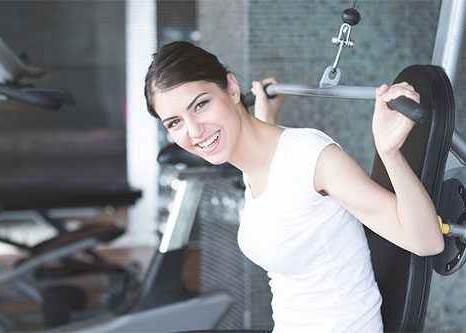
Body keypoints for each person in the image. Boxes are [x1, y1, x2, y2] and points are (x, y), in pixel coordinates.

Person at [144, 41, 444, 332]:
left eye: (200, 105)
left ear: (232, 88)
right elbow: (282, 190)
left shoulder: (310, 157)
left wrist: (389, 152)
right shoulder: (253, 163)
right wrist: (265, 116)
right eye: (174, 123)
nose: (194, 131)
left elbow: (426, 242)